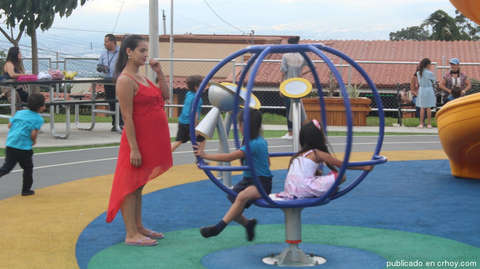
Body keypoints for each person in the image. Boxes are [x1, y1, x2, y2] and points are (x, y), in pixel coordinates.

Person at [106, 35, 172, 247]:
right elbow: (127, 116)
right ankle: (131, 234)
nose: (145, 55)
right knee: (130, 185)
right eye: (142, 51)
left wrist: (160, 72)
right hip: (137, 142)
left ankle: (138, 226)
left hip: (150, 140)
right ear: (129, 52)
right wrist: (134, 148)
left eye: (146, 51)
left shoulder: (142, 77)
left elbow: (166, 95)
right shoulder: (125, 80)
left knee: (139, 185)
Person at [194, 109, 271, 241]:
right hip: (248, 180)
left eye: (239, 124)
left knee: (241, 197)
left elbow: (230, 157)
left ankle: (217, 228)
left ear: (246, 126)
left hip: (261, 182)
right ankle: (248, 224)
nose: (238, 127)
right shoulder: (254, 141)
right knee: (235, 206)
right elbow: (268, 162)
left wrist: (206, 155)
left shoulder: (255, 143)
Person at [276, 119, 372, 199]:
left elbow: (298, 174)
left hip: (291, 191)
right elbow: (341, 165)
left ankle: (316, 190)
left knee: (318, 177)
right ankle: (320, 191)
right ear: (318, 137)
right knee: (340, 176)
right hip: (305, 189)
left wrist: (316, 173)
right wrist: (364, 167)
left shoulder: (298, 155)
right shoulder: (317, 153)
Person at [0, 93, 45, 196]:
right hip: (24, 148)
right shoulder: (38, 119)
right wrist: (34, 141)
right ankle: (26, 190)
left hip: (11, 145)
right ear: (40, 107)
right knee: (28, 168)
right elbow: (33, 134)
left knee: (6, 168)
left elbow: (9, 125)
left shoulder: (19, 113)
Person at [280, 36, 308, 139]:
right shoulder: (302, 56)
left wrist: (280, 87)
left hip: (288, 86)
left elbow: (283, 72)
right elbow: (312, 67)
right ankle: (301, 132)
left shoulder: (286, 56)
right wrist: (300, 74)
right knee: (299, 108)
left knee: (289, 109)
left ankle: (291, 132)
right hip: (299, 86)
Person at [171, 75, 206, 152]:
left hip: (182, 122)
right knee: (202, 140)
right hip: (190, 124)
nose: (205, 86)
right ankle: (200, 157)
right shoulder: (198, 99)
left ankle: (165, 153)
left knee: (178, 141)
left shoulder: (189, 94)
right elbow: (195, 115)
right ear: (197, 87)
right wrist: (195, 128)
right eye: (203, 85)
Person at [97, 34, 123, 131]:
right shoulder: (103, 53)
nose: (105, 44)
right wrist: (101, 68)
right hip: (107, 80)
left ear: (113, 42)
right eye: (104, 42)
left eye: (106, 42)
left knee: (120, 102)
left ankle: (121, 123)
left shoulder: (121, 52)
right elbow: (98, 65)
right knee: (111, 102)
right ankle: (114, 123)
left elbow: (126, 65)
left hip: (119, 81)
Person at [415, 58, 436, 129]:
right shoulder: (430, 73)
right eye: (430, 64)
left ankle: (421, 124)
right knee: (428, 107)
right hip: (429, 89)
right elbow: (434, 81)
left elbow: (418, 82)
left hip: (421, 90)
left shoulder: (418, 73)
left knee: (422, 107)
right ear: (427, 65)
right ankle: (429, 124)